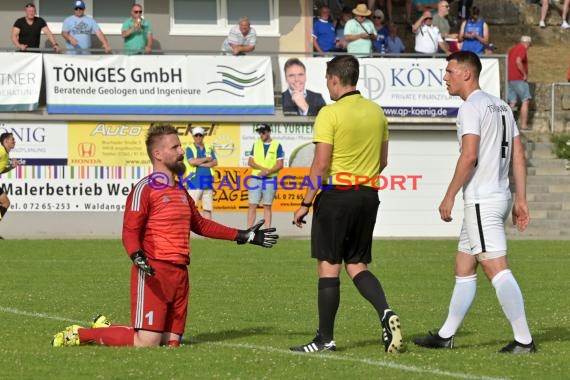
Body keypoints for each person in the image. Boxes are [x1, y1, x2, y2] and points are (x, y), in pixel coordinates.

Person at [50, 124, 279, 348]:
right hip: (154, 272)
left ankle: (107, 328)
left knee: (170, 345)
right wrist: (136, 255)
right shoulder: (145, 188)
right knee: (147, 343)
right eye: (175, 148)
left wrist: (244, 235)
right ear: (158, 154)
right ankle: (83, 334)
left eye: (180, 147)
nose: (181, 152)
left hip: (180, 275)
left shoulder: (180, 190)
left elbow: (200, 225)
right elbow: (130, 231)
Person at [413, 51, 536, 354]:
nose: (446, 77)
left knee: (496, 268)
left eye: (450, 71)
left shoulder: (471, 107)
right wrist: (520, 198)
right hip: (499, 196)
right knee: (464, 264)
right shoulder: (503, 107)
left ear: (467, 74)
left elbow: (469, 156)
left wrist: (449, 194)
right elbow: (518, 155)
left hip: (482, 200)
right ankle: (446, 335)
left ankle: (524, 340)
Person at [290, 55, 403, 354]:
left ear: (335, 79)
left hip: (336, 196)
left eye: (327, 79)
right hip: (367, 195)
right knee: (356, 263)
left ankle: (325, 338)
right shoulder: (377, 112)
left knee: (329, 267)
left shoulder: (330, 113)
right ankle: (385, 311)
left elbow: (321, 163)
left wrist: (305, 201)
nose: (326, 84)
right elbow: (383, 161)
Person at [247, 124, 284, 229]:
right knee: (252, 205)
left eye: (263, 132)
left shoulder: (277, 145)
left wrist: (268, 172)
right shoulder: (256, 144)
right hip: (255, 178)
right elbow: (250, 162)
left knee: (267, 206)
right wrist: (263, 169)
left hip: (270, 179)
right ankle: (248, 230)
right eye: (259, 132)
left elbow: (280, 164)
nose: (261, 134)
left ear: (268, 132)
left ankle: (267, 230)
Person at [184, 127, 217, 220]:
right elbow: (192, 162)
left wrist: (201, 164)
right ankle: (186, 231)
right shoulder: (190, 148)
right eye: (196, 135)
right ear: (193, 137)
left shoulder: (209, 148)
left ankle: (209, 232)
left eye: (200, 135)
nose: (198, 137)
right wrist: (206, 159)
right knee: (190, 207)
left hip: (208, 182)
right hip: (195, 181)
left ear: (203, 136)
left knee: (208, 208)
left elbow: (215, 162)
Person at [507, 36, 532, 131]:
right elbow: (518, 61)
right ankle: (524, 125)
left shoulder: (513, 48)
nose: (529, 48)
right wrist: (524, 74)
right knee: (525, 100)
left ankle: (508, 126)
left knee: (512, 102)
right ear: (527, 43)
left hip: (509, 78)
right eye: (529, 45)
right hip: (518, 78)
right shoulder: (522, 48)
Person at [0, 133, 19, 233]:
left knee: (5, 203)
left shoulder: (6, 154)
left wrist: (12, 167)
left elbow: (1, 170)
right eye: (12, 139)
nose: (14, 141)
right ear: (6, 141)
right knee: (5, 202)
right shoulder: (1, 151)